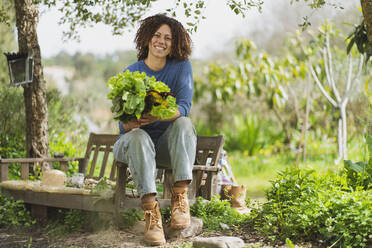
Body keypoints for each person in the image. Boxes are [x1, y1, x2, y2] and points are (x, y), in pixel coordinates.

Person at [113, 14, 196, 246]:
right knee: (138, 136)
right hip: (132, 144)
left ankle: (180, 198)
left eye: (168, 38)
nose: (161, 41)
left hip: (164, 148)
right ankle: (151, 214)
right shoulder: (131, 72)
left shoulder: (181, 68)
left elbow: (184, 107)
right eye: (157, 35)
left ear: (175, 43)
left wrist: (158, 114)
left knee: (184, 122)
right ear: (147, 38)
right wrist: (134, 123)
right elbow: (123, 125)